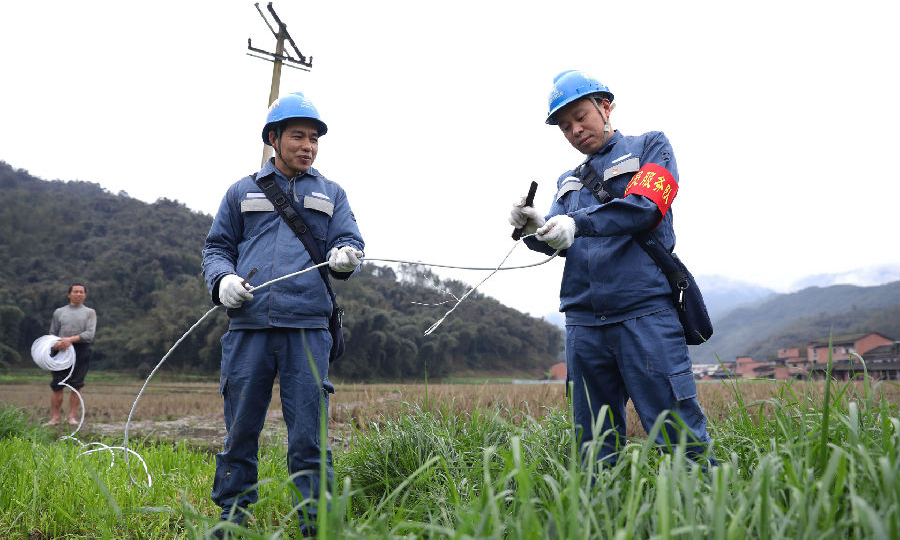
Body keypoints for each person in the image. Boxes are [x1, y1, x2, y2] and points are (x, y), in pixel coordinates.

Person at [509, 70, 715, 469]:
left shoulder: (651, 146)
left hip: (645, 314)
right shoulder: (567, 181)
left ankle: (704, 515)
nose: (575, 130)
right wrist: (531, 227)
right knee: (592, 444)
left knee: (677, 434)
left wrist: (578, 223)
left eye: (581, 116)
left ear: (605, 107)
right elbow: (555, 240)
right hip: (583, 324)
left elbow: (646, 206)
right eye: (565, 126)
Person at [202, 91, 365, 536]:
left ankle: (317, 525)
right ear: (273, 138)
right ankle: (232, 521)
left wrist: (347, 255)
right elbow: (216, 248)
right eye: (298, 136)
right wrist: (222, 281)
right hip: (249, 327)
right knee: (239, 433)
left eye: (313, 138)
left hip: (309, 329)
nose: (307, 146)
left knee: (309, 439)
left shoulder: (333, 193)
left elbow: (351, 242)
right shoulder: (241, 190)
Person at [46, 283, 97, 427]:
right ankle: (55, 418)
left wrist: (70, 340)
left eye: (81, 292)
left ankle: (71, 418)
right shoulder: (59, 312)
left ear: (85, 295)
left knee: (77, 385)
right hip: (60, 350)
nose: (78, 294)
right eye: (75, 292)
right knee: (57, 385)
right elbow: (53, 334)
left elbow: (89, 335)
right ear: (69, 294)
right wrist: (57, 344)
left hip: (81, 350)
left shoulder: (89, 312)